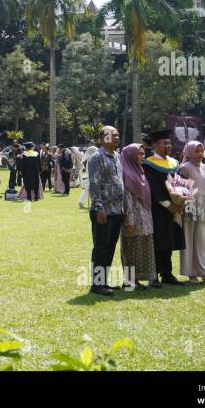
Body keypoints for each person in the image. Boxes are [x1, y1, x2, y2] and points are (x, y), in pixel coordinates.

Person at [143, 129, 186, 287]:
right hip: (159, 209)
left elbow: (180, 183)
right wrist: (168, 205)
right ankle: (153, 275)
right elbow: (153, 188)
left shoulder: (174, 163)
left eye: (169, 143)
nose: (168, 146)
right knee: (157, 241)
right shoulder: (149, 164)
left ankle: (167, 273)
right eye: (164, 143)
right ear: (155, 145)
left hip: (175, 209)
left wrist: (181, 202)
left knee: (169, 241)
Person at [87, 126, 124, 296]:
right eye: (112, 135)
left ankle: (104, 282)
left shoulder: (116, 156)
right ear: (103, 138)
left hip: (117, 210)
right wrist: (99, 209)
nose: (116, 137)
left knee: (110, 248)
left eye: (117, 135)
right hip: (103, 211)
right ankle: (97, 284)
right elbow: (94, 185)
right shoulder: (96, 157)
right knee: (101, 247)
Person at [180, 141, 205, 286]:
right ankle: (191, 274)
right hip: (189, 208)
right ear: (189, 152)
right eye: (196, 151)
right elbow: (180, 191)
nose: (199, 154)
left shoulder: (204, 166)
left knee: (201, 241)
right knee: (188, 241)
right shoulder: (184, 168)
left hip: (202, 208)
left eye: (201, 151)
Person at [120, 143, 156, 290]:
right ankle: (129, 281)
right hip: (133, 219)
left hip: (145, 218)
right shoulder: (126, 173)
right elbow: (126, 200)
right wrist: (129, 221)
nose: (143, 156)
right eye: (139, 154)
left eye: (143, 153)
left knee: (141, 249)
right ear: (131, 156)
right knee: (131, 250)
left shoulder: (140, 171)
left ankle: (137, 280)